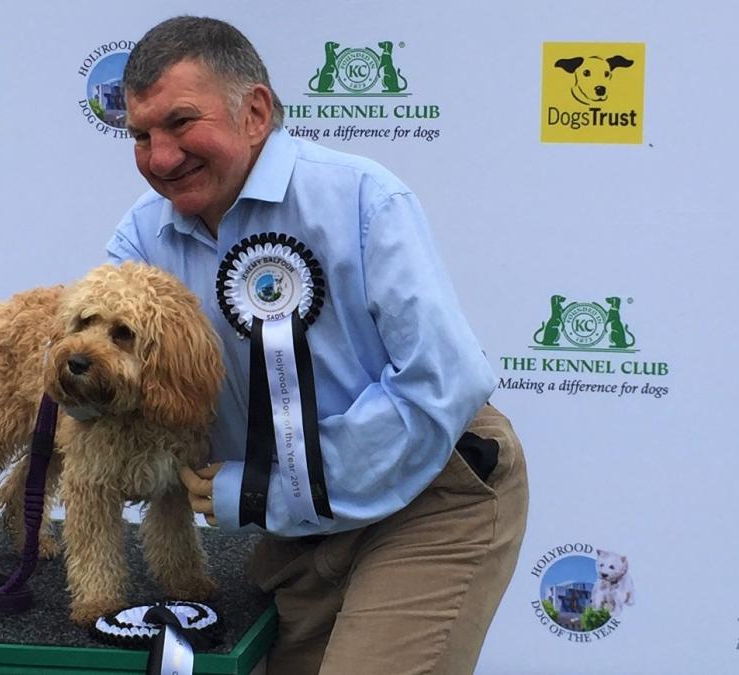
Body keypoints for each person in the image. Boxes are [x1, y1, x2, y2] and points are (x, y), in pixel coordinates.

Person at [106, 15, 528, 675]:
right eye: (140, 135)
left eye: (182, 123)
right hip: (293, 527)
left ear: (255, 111)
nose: (159, 157)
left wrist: (261, 492)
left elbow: (439, 386)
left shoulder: (362, 199)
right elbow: (108, 382)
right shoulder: (139, 237)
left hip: (430, 490)